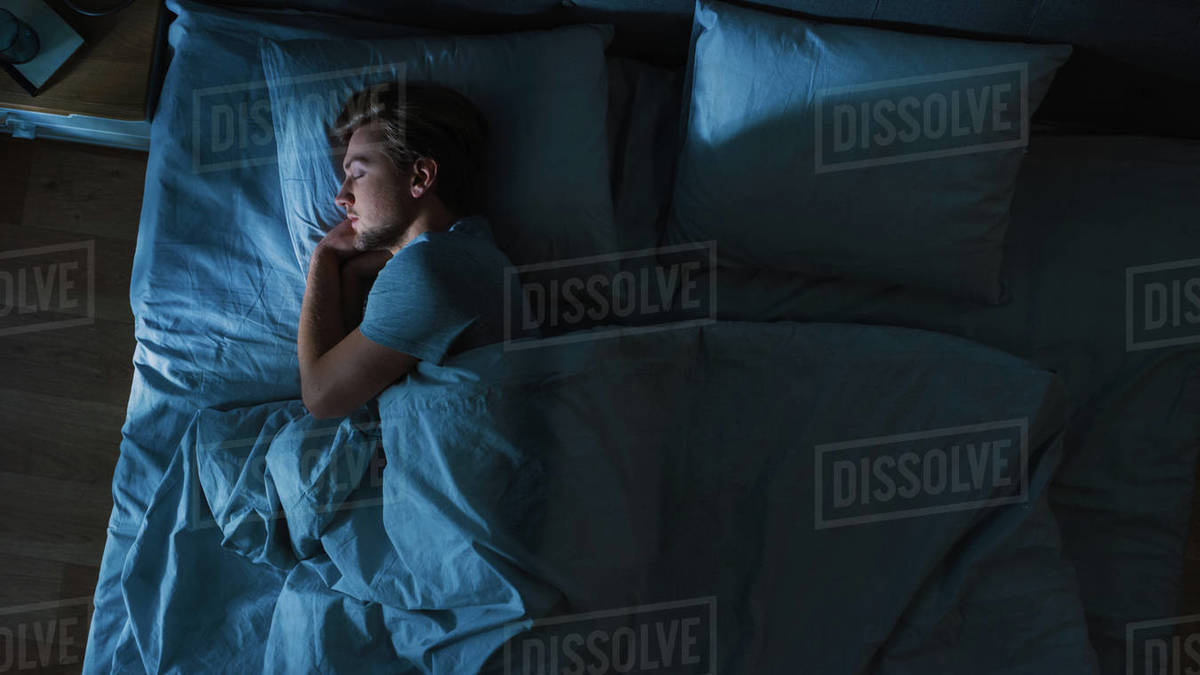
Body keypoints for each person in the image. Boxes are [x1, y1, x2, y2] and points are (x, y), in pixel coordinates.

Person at [297, 82, 519, 419]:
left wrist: (323, 257)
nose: (341, 197)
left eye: (358, 173)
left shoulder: (428, 270)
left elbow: (320, 399)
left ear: (420, 176)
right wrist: (354, 273)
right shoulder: (471, 250)